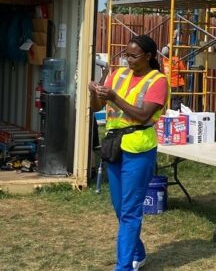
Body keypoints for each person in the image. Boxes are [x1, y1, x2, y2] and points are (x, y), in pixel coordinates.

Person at [88, 35, 169, 271]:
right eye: (126, 55)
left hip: (139, 150)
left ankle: (123, 267)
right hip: (114, 147)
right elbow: (97, 107)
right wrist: (95, 90)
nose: (129, 60)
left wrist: (114, 97)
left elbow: (143, 115)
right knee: (119, 208)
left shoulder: (159, 81)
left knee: (131, 211)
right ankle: (138, 252)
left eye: (134, 56)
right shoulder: (118, 75)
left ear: (149, 57)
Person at [161, 45, 186, 111]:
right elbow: (183, 70)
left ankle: (170, 113)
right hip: (177, 83)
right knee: (177, 100)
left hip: (168, 84)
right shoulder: (176, 59)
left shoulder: (164, 60)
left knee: (170, 100)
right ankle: (175, 116)